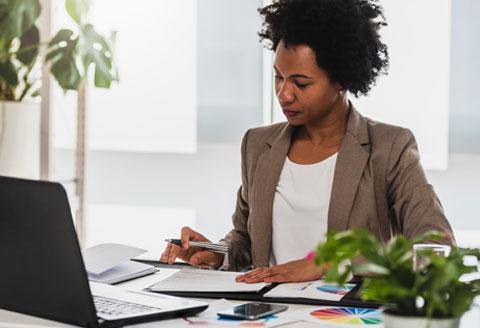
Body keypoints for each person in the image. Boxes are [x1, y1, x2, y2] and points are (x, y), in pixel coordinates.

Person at [160, 0, 455, 283]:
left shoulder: (390, 147)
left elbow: (437, 247)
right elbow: (246, 240)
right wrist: (215, 254)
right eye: (279, 77)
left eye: (301, 83)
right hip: (266, 314)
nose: (284, 94)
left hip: (345, 318)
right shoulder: (257, 145)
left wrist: (330, 264)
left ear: (340, 80)